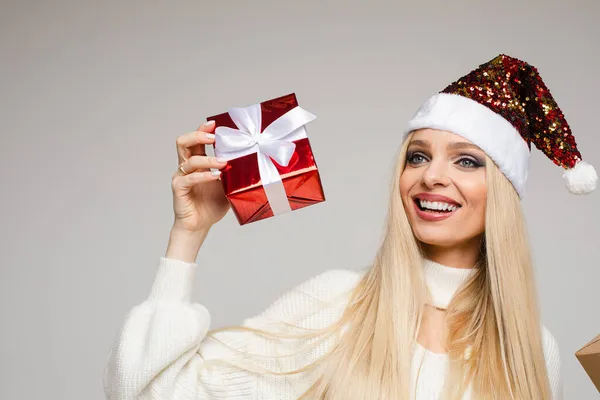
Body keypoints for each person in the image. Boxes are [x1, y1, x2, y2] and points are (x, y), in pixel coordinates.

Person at [102, 54, 597, 400]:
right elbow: (148, 392)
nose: (432, 175)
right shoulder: (333, 305)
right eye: (418, 156)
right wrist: (187, 237)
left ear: (504, 195)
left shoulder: (533, 353)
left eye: (467, 161)